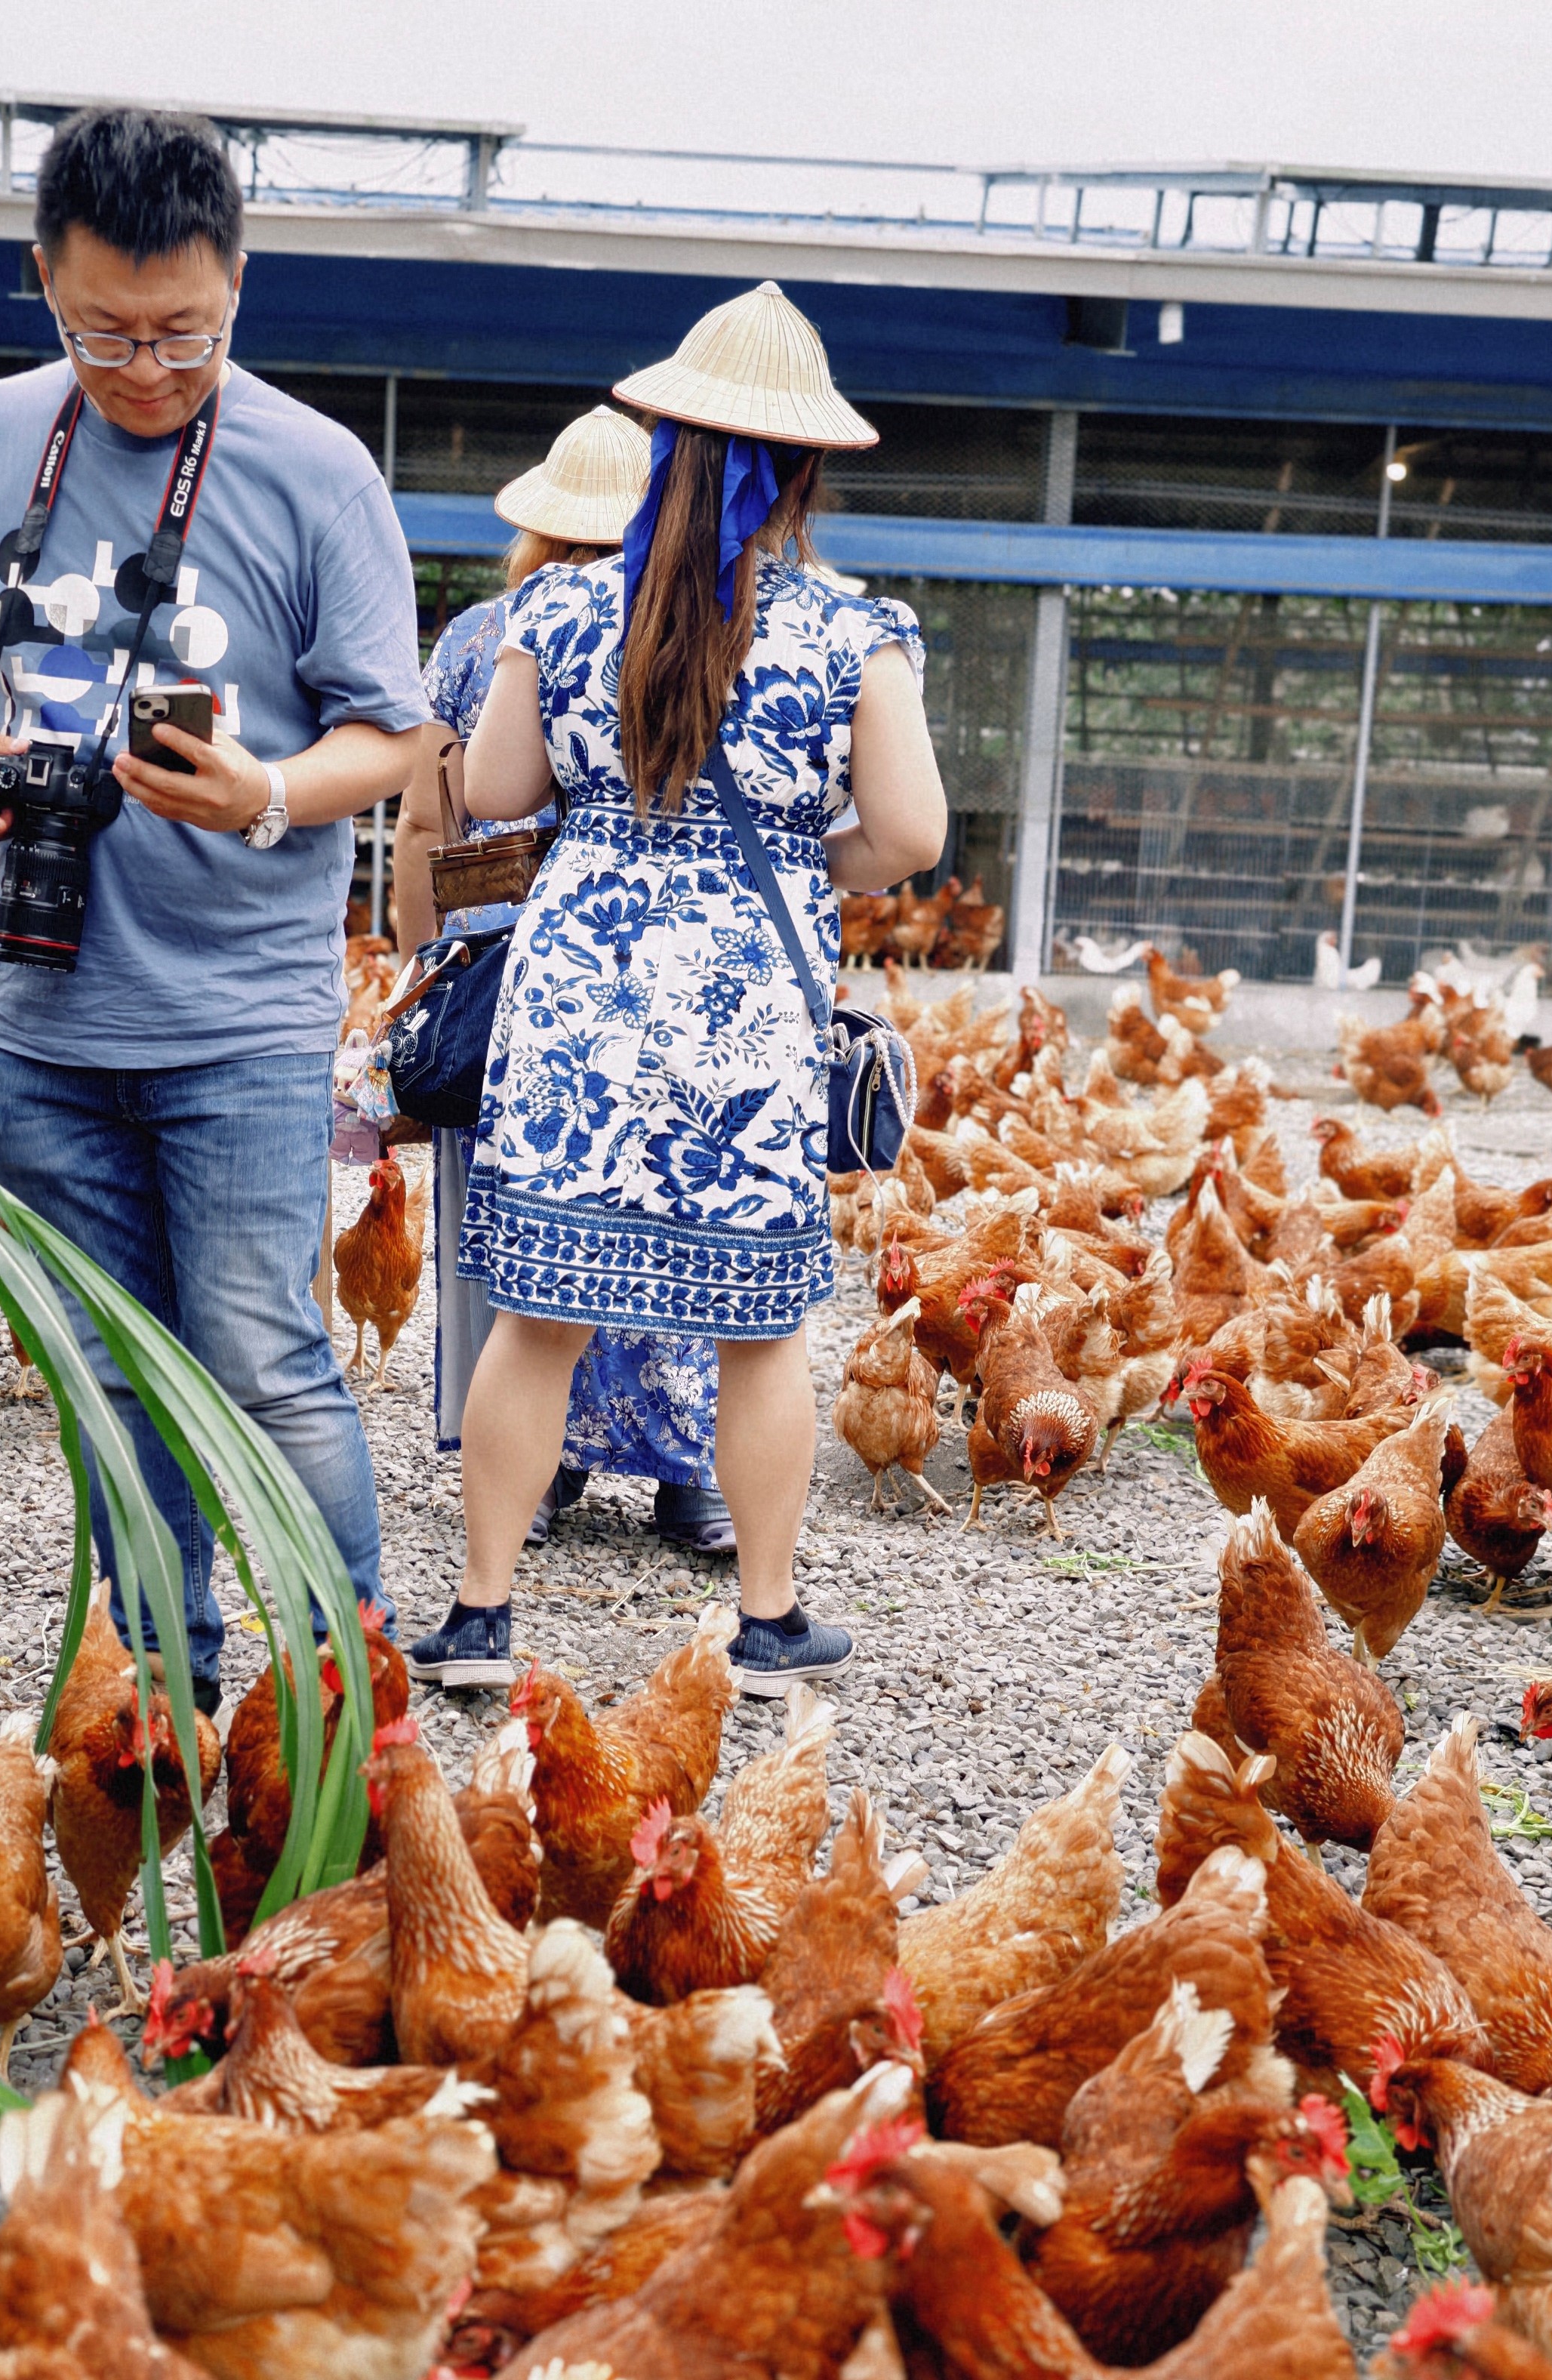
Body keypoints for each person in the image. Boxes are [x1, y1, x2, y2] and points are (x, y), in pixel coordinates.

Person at [0, 107, 426, 1713]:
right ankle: (170, 1698)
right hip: (41, 1016)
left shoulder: (318, 469)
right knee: (113, 1377)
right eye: (103, 331)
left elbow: (396, 731)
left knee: (263, 1361)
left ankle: (347, 1692)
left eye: (185, 332)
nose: (144, 370)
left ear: (241, 285)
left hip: (240, 1018)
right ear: (44, 280)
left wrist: (263, 792)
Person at [412, 283, 947, 1697]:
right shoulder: (853, 632)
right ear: (807, 466)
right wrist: (788, 847)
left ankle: (480, 1617)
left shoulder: (562, 605)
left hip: (579, 985)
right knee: (758, 1327)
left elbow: (490, 790)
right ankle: (767, 1623)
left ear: (660, 444)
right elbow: (910, 836)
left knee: (539, 1312)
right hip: (745, 1003)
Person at [393, 409, 732, 1637]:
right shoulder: (702, 625)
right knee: (668, 1202)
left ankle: (543, 1470)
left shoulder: (489, 633)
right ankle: (684, 1474)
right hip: (659, 950)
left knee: (516, 1213)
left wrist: (415, 948)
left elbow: (439, 805)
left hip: (509, 952)